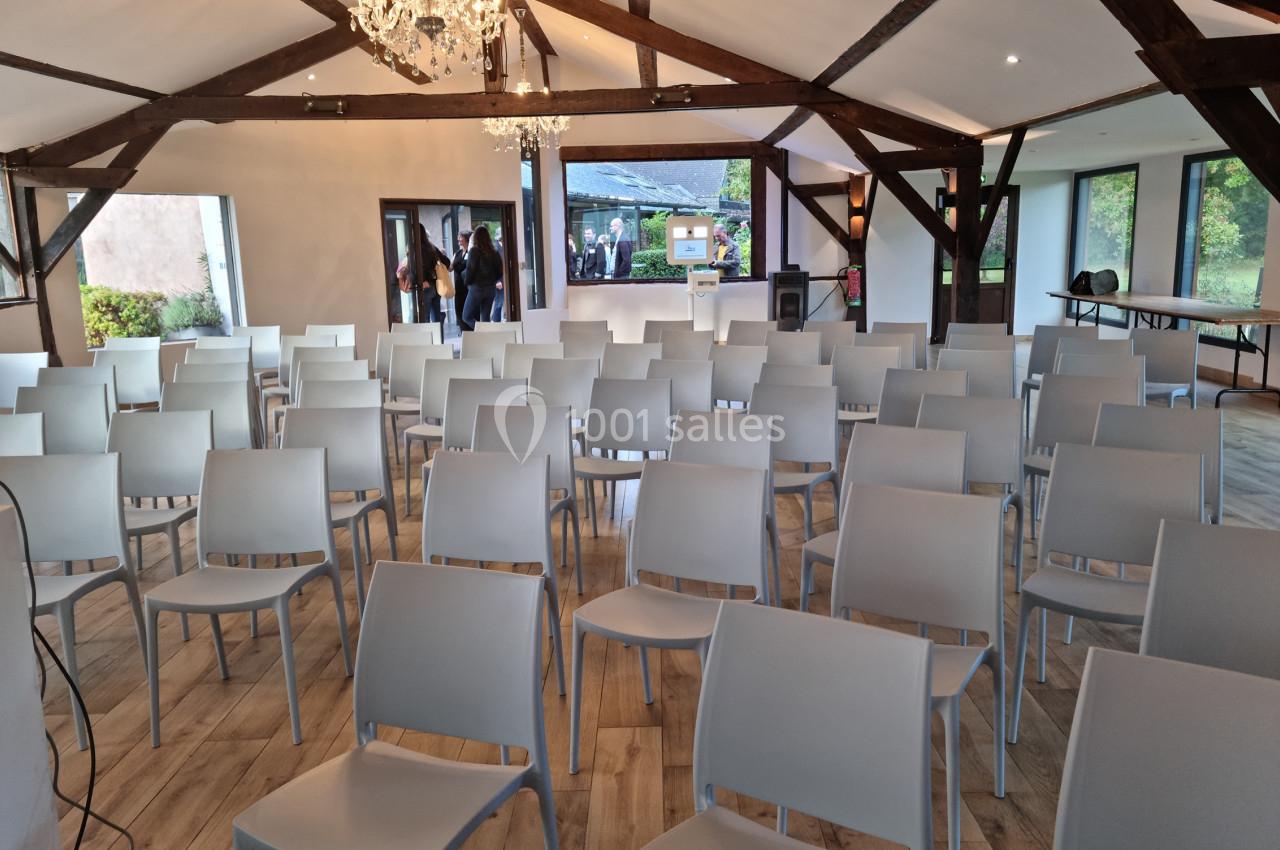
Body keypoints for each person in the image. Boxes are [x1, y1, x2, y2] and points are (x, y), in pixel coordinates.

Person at [462, 224, 502, 327]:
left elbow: (470, 270)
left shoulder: (474, 251)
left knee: (466, 317)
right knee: (485, 318)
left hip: (477, 288)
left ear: (475, 237)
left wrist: (466, 283)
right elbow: (500, 271)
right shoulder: (494, 252)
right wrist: (493, 281)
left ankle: (481, 332)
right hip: (490, 289)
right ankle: (486, 338)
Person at [419, 224, 451, 326]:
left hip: (425, 286)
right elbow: (447, 262)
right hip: (436, 286)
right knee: (436, 319)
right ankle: (438, 341)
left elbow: (420, 268)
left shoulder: (417, 249)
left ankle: (429, 341)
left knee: (425, 320)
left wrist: (424, 280)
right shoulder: (432, 247)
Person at [451, 230, 472, 332]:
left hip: (468, 289)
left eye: (460, 237)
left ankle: (473, 336)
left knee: (469, 314)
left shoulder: (472, 253)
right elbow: (450, 268)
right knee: (459, 313)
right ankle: (464, 335)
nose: (458, 239)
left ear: (467, 238)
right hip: (458, 289)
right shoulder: (457, 253)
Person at [491, 227, 505, 323]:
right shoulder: (495, 248)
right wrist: (497, 281)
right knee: (499, 302)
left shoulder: (502, 246)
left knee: (500, 301)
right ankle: (496, 321)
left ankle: (497, 320)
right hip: (498, 280)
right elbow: (492, 266)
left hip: (503, 279)